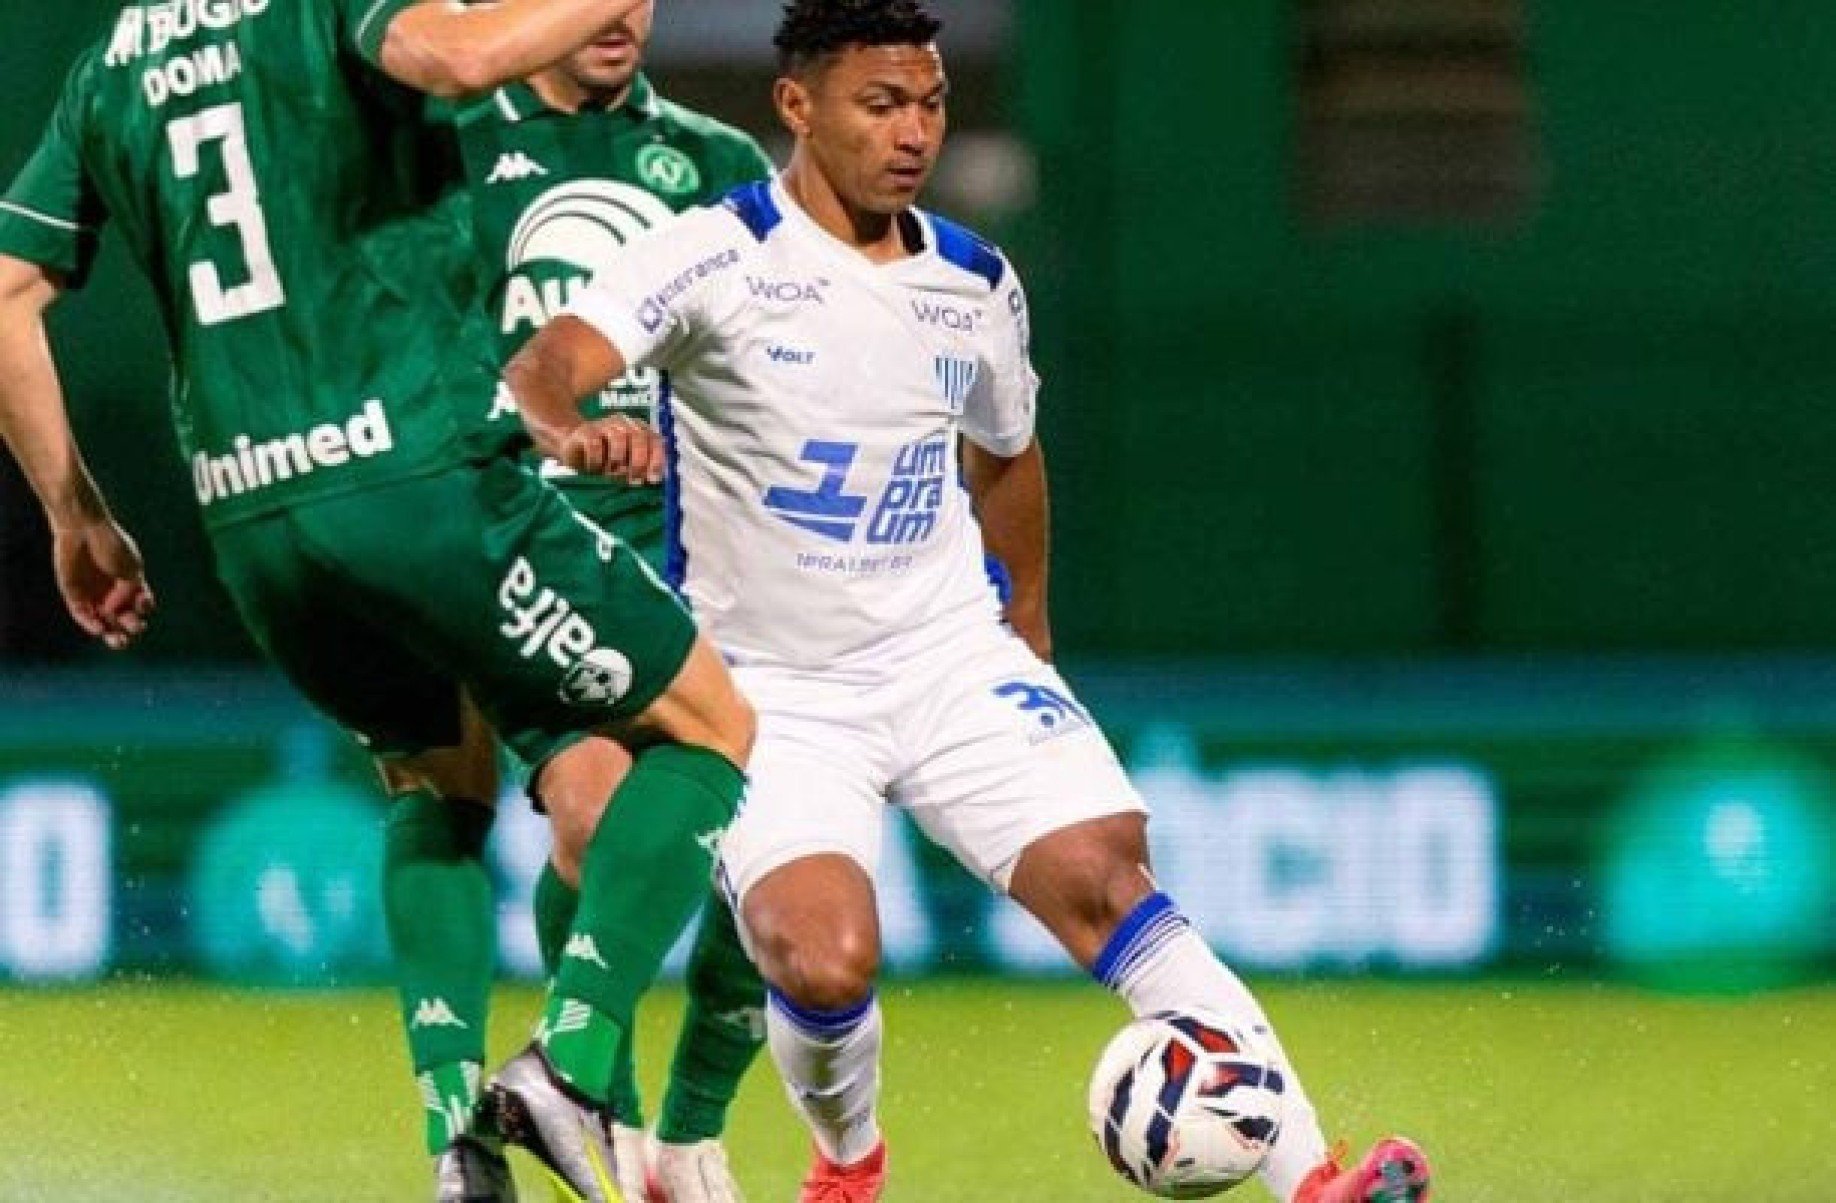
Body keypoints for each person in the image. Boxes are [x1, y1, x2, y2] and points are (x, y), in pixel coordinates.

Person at [499, 1, 1436, 1201]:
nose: (914, 133)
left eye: (931, 104)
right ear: (798, 106)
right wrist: (571, 428)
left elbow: (1008, 456)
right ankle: (849, 1165)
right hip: (769, 695)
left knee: (1108, 877)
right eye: (881, 104)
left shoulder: (974, 280)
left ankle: (1313, 1180)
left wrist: (1025, 635)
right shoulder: (712, 255)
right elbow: (547, 365)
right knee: (823, 959)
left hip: (947, 660)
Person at [0, 2, 755, 1201]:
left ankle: (458, 1142)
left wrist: (75, 513)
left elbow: (5, 294)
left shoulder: (114, 65)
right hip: (416, 477)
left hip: (252, 521)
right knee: (711, 726)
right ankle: (571, 1066)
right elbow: (455, 55)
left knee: (437, 779)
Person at [453, 4, 776, 1197]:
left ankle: (691, 1130)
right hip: (526, 546)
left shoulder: (714, 160)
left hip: (703, 555)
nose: (621, 12)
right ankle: (614, 1118)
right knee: (590, 816)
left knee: (766, 853)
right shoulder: (448, 150)